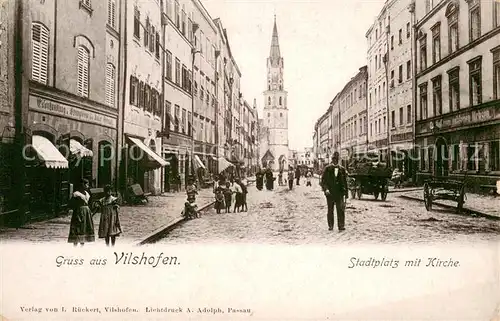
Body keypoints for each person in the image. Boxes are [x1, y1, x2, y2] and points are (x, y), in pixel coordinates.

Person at [320, 152, 348, 231]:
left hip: (339, 193)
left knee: (341, 210)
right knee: (330, 210)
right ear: (332, 160)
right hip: (330, 193)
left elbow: (345, 183)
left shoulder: (342, 169)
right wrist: (326, 189)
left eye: (336, 159)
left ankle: (341, 225)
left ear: (338, 160)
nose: (335, 161)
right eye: (334, 159)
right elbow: (323, 181)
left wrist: (346, 194)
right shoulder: (327, 169)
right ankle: (331, 226)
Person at [67, 179, 95, 246]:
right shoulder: (76, 194)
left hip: (86, 211)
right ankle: (75, 243)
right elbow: (71, 203)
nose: (87, 186)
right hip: (79, 211)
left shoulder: (87, 193)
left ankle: (82, 243)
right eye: (86, 184)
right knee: (77, 227)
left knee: (84, 227)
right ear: (82, 184)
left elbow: (90, 202)